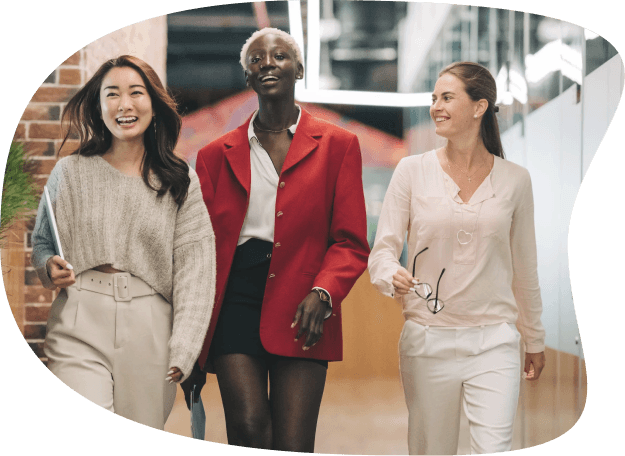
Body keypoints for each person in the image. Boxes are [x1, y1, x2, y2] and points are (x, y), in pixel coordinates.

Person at [185, 27, 369, 452]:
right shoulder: (214, 155)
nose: (268, 63)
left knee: (293, 441)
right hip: (234, 300)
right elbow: (198, 249)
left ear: (299, 69)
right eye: (257, 59)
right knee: (247, 428)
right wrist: (192, 336)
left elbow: (351, 242)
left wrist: (323, 292)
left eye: (280, 55)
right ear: (247, 76)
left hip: (305, 302)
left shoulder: (339, 145)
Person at [368, 61, 546, 455]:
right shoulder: (411, 171)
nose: (436, 107)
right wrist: (390, 274)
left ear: (479, 107)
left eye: (447, 98)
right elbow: (382, 252)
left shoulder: (516, 180)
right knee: (433, 449)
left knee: (494, 448)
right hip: (427, 342)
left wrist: (533, 337)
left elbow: (525, 266)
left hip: (495, 343)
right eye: (434, 99)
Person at [30, 55, 216, 430]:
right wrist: (49, 267)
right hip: (80, 316)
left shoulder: (180, 180)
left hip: (151, 327)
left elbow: (197, 273)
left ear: (153, 103)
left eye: (135, 93)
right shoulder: (71, 171)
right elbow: (43, 242)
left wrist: (185, 345)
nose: (124, 105)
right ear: (99, 108)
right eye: (111, 94)